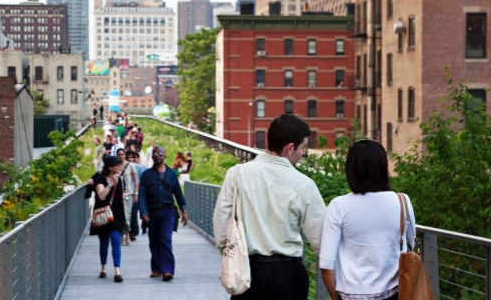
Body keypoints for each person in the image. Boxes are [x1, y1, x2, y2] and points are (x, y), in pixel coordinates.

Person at [213, 114, 327, 299]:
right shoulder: (303, 184)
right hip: (288, 275)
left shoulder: (237, 174)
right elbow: (321, 239)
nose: (302, 153)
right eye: (303, 148)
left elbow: (222, 223)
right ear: (290, 148)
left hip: (248, 271)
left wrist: (230, 256)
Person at [319, 140, 415, 300]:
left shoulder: (338, 206)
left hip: (352, 295)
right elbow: (410, 244)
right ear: (383, 167)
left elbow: (326, 264)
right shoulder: (402, 201)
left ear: (351, 170)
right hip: (395, 293)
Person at [138, 146, 189, 282]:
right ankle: (156, 268)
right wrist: (143, 212)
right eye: (155, 154)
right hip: (152, 212)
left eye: (160, 154)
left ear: (165, 156)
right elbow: (142, 195)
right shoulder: (146, 175)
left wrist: (184, 210)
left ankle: (167, 270)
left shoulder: (172, 174)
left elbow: (178, 193)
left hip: (168, 212)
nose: (158, 156)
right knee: (154, 240)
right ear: (152, 157)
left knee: (165, 239)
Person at [85, 156, 128, 283]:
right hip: (103, 213)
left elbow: (121, 192)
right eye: (117, 165)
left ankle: (117, 270)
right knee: (104, 242)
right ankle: (103, 267)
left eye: (121, 165)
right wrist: (110, 184)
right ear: (110, 167)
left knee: (115, 240)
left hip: (117, 214)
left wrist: (124, 195)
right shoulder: (100, 178)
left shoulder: (120, 178)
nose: (120, 167)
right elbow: (101, 196)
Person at [116, 148, 139, 245]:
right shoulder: (115, 166)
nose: (121, 156)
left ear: (125, 155)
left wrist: (136, 193)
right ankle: (121, 235)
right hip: (118, 194)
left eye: (122, 154)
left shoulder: (130, 166)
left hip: (128, 193)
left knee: (127, 215)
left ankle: (128, 234)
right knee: (120, 215)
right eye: (119, 154)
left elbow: (135, 181)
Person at [127, 151, 148, 237]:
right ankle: (134, 231)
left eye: (133, 157)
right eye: (129, 157)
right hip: (131, 193)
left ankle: (143, 228)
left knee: (141, 210)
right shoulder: (125, 167)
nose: (131, 159)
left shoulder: (140, 167)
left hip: (139, 192)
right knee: (134, 212)